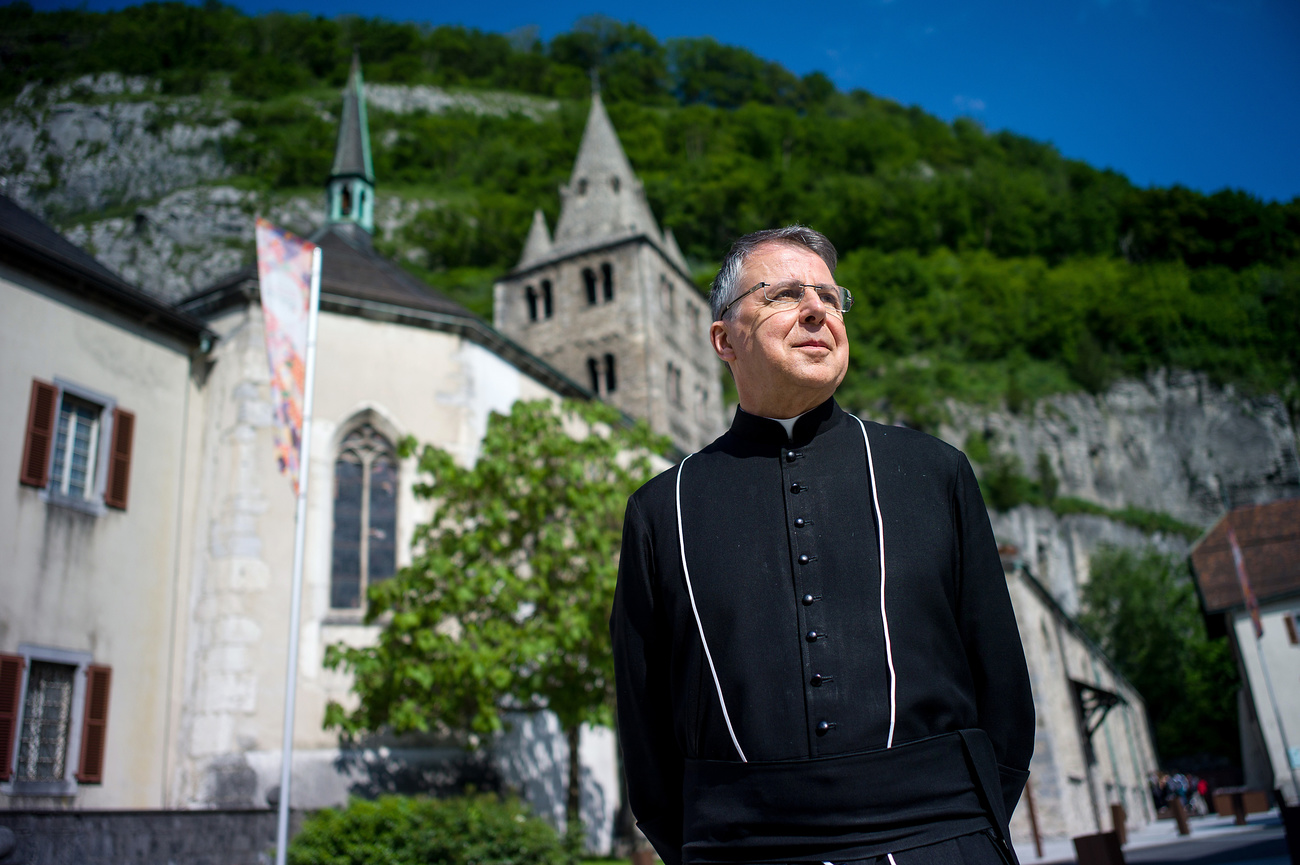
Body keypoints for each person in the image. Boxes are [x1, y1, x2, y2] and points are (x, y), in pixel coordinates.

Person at [610, 226, 1035, 865]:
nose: (817, 310)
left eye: (831, 298)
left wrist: (963, 831)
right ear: (725, 340)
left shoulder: (934, 471)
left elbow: (1003, 685)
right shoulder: (658, 509)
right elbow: (646, 736)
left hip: (940, 841)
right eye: (783, 294)